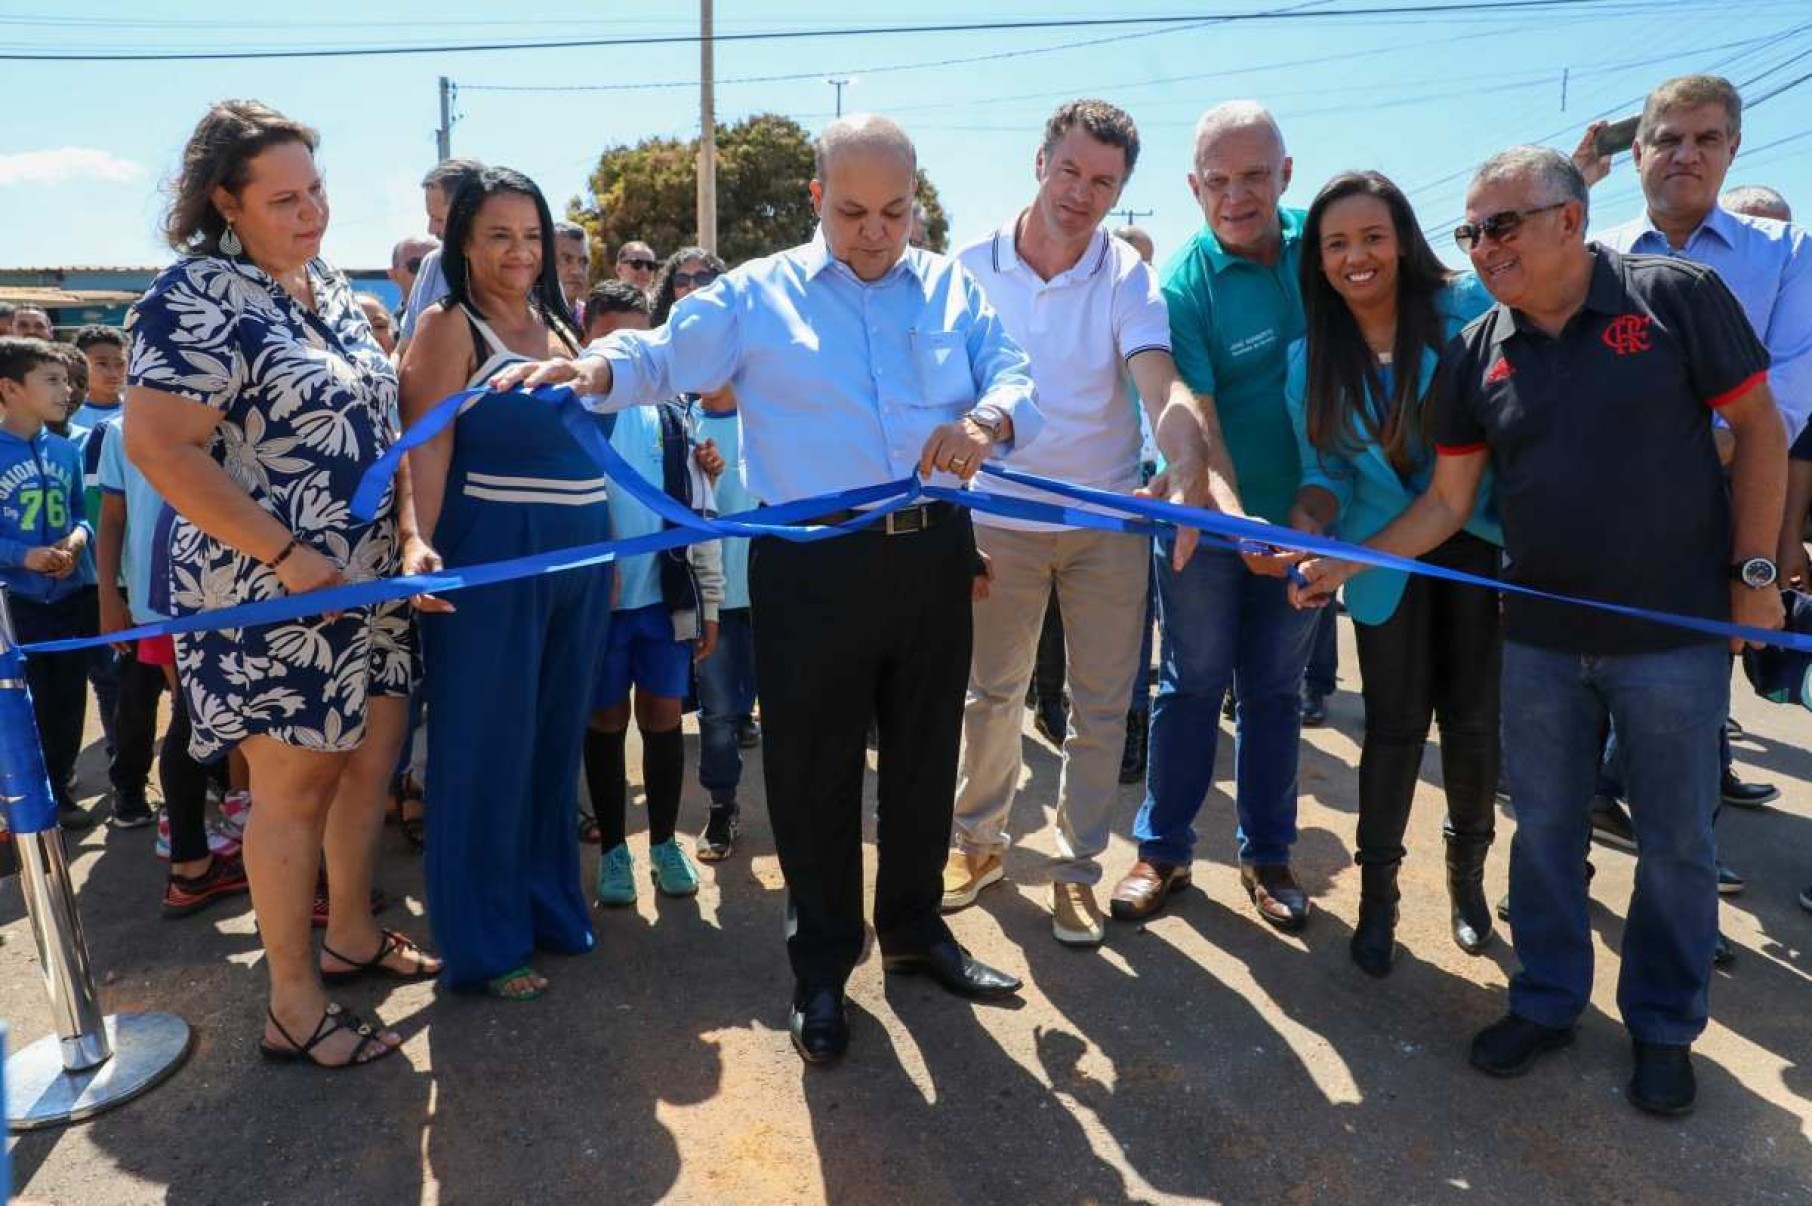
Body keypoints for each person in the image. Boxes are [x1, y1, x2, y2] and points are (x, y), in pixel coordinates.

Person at [495, 113, 1042, 1065]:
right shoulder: (756, 297)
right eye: (855, 210)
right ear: (815, 197)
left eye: (898, 212)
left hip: (931, 554)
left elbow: (1013, 374)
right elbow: (662, 355)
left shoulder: (951, 285)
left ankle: (917, 933)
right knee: (812, 774)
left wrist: (989, 421)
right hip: (811, 562)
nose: (877, 231)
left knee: (921, 757)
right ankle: (823, 969)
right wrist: (594, 368)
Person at [1293, 146, 1786, 1117]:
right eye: (1472, 231)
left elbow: (1761, 432)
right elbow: (1444, 504)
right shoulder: (1481, 349)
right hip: (1544, 640)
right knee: (1548, 832)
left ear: (1570, 216)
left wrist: (1756, 575)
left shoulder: (1675, 298)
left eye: (1502, 224)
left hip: (1673, 638)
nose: (1483, 246)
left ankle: (1661, 1024)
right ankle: (1550, 999)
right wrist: (1346, 561)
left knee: (1678, 843)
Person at [126, 101, 440, 1068]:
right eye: (285, 198)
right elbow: (160, 447)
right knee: (292, 793)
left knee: (369, 765)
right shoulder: (195, 295)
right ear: (225, 201)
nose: (312, 213)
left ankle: (350, 932)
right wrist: (286, 556)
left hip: (371, 586)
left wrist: (411, 537)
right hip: (275, 595)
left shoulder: (325, 289)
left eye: (318, 192)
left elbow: (382, 439)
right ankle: (292, 1004)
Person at [943, 100, 1239, 948]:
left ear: (1121, 191)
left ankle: (1075, 869)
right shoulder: (968, 265)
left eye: (1103, 182)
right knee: (990, 693)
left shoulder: (1125, 275)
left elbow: (1161, 386)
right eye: (1070, 171)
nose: (1081, 194)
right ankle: (979, 846)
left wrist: (1185, 464)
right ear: (1040, 162)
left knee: (1102, 706)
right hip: (998, 515)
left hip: (1108, 517)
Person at [1282, 172, 1499, 976]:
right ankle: (1379, 900)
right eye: (1336, 243)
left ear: (1404, 238)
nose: (1356, 256)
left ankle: (1468, 884)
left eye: (1372, 236)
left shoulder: (1470, 313)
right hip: (1377, 565)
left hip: (1478, 550)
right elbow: (1324, 474)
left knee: (1475, 725)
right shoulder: (1310, 359)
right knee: (1394, 729)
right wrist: (1303, 528)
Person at [400, 166, 607, 1003]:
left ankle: (547, 906)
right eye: (498, 236)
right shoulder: (450, 325)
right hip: (494, 552)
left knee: (555, 743)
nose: (520, 252)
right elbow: (428, 446)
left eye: (532, 235)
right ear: (463, 243)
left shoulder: (559, 323)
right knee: (486, 747)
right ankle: (485, 943)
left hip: (581, 559)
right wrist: (418, 540)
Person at [1579, 74, 1810, 824]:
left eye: (1706, 138)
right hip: (1595, 528)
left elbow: (1786, 396)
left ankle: (1682, 911)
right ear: (1639, 150)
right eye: (1669, 138)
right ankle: (1564, 879)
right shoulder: (1591, 254)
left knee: (1683, 733)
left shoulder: (1787, 254)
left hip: (1718, 528)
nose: (1687, 155)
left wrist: (1760, 558)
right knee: (1579, 714)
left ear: (1732, 149)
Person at [1112, 101, 1319, 931]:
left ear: (1286, 176)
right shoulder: (1184, 286)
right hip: (1208, 519)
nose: (1239, 196)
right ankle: (1162, 852)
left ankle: (1269, 857)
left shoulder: (1329, 250)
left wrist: (1304, 521)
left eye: (1256, 177)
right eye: (1219, 181)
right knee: (1190, 682)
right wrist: (1245, 526)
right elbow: (1200, 419)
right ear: (1194, 187)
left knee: (1275, 689)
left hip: (1310, 522)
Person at [97, 402, 252, 914]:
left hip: (237, 588)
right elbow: (113, 515)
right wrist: (109, 596)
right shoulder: (122, 429)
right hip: (169, 598)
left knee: (214, 721)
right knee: (193, 719)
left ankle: (226, 827)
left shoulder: (231, 410)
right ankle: (190, 856)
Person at [586, 382, 723, 906]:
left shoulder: (671, 418)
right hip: (600, 608)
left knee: (664, 716)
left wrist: (709, 602)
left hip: (664, 604)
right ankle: (613, 851)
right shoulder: (576, 417)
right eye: (612, 335)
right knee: (604, 720)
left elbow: (699, 514)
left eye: (638, 337)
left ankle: (665, 844)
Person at [0, 337, 99, 831]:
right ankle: (19, 799)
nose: (68, 390)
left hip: (69, 598)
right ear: (10, 389)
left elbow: (82, 514)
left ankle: (58, 790)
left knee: (67, 703)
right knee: (22, 705)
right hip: (16, 606)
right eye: (53, 380)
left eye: (68, 380)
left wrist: (77, 541)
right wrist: (24, 556)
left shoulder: (65, 449)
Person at [399, 158, 485, 347]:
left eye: (439, 219)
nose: (431, 230)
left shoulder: (522, 266)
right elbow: (405, 347)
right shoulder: (433, 264)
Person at [388, 234, 438, 312]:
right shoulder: (390, 323)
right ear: (394, 275)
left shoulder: (462, 319)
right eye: (417, 265)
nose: (429, 273)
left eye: (437, 265)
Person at [554, 221, 592, 315]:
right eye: (567, 259)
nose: (577, 271)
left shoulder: (594, 321)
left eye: (583, 262)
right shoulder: (520, 320)